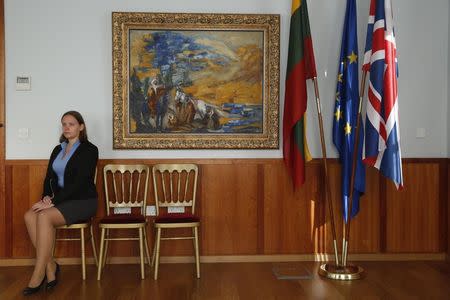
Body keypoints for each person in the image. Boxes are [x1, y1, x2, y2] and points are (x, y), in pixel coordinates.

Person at [22, 111, 98, 295]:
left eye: (71, 124)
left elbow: (80, 183)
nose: (66, 127)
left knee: (44, 216)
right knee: (29, 215)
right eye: (64, 124)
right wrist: (46, 197)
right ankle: (51, 266)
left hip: (83, 201)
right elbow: (49, 178)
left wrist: (53, 202)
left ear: (81, 126)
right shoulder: (58, 149)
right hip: (59, 201)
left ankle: (39, 274)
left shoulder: (89, 150)